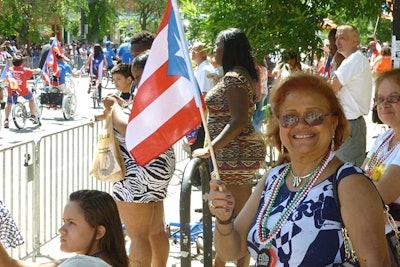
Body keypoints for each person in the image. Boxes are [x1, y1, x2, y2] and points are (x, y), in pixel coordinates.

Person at [208, 73, 390, 266]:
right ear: (279, 125)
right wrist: (223, 220)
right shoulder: (274, 178)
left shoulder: (350, 183)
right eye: (290, 118)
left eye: (314, 116)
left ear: (334, 122)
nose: (301, 125)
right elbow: (231, 251)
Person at [192, 28, 266, 267]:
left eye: (217, 45)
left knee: (233, 221)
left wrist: (209, 148)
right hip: (234, 156)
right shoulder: (239, 75)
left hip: (236, 156)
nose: (214, 50)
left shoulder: (234, 78)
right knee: (233, 220)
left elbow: (238, 122)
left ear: (229, 48)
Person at [96, 51, 175, 267]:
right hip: (157, 165)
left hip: (138, 169)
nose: (137, 83)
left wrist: (113, 108)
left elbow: (130, 128)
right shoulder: (167, 92)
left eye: (139, 76)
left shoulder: (153, 92)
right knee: (155, 230)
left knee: (138, 235)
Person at [0, 190, 129, 267]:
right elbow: (10, 265)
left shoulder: (79, 264)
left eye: (71, 223)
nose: (61, 229)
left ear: (99, 232)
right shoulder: (106, 259)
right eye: (64, 221)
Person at [362, 69, 400, 232]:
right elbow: (358, 178)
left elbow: (379, 196)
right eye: (380, 99)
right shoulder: (384, 137)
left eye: (393, 98)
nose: (384, 104)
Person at [329, 25, 372, 166]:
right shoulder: (352, 60)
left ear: (355, 40)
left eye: (342, 38)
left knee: (346, 173)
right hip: (349, 124)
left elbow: (331, 88)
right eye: (337, 38)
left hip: (350, 125)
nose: (337, 42)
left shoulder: (355, 60)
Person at [3, 56, 41, 128]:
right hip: (23, 91)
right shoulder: (24, 70)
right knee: (31, 99)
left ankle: (6, 120)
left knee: (9, 104)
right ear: (22, 63)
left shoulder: (9, 70)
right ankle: (33, 114)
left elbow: (4, 78)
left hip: (12, 90)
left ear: (13, 63)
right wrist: (39, 69)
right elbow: (34, 71)